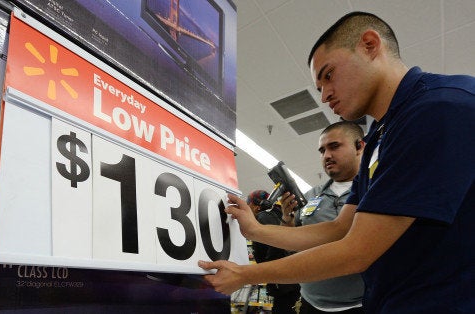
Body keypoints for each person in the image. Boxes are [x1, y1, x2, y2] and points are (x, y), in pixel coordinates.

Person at [198, 11, 475, 313]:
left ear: (370, 45)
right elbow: (340, 228)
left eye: (328, 75)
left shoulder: (439, 108)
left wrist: (246, 275)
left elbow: (356, 251)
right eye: (318, 88)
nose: (324, 96)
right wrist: (256, 231)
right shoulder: (379, 140)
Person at [279, 121, 365, 314]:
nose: (327, 155)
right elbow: (292, 248)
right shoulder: (310, 196)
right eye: (322, 150)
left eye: (334, 146)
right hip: (311, 304)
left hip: (361, 305)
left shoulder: (375, 190)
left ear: (359, 146)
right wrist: (288, 221)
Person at [247, 190, 300, 314]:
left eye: (248, 205)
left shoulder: (262, 217)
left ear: (255, 206)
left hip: (283, 282)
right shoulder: (279, 214)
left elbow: (276, 245)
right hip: (294, 279)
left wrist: (270, 272)